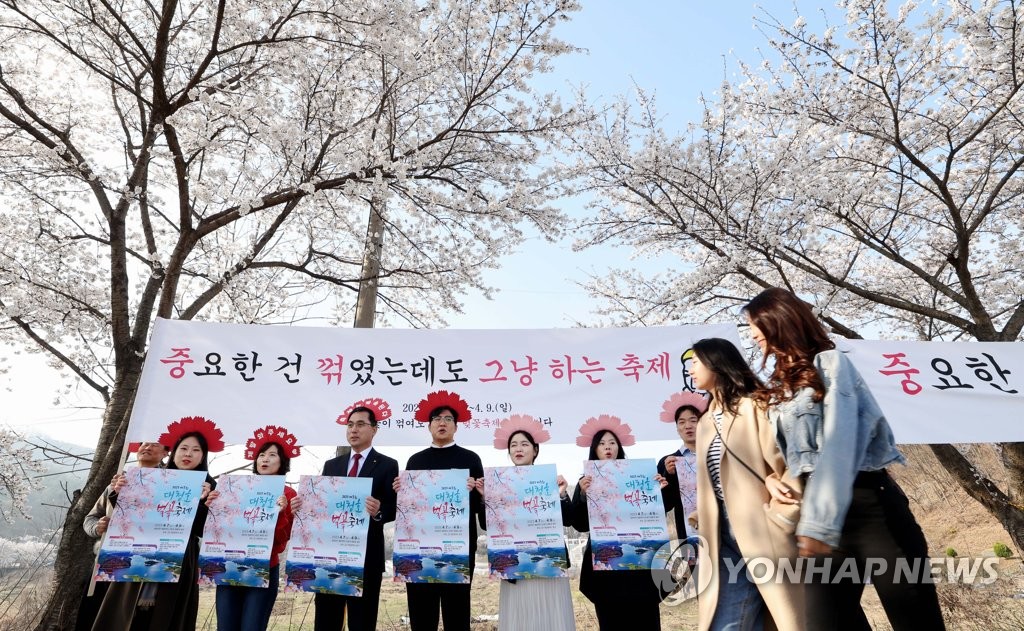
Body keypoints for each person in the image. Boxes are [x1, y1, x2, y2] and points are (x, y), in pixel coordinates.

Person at [744, 287, 945, 630]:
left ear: (778, 322)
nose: (751, 334)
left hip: (871, 511)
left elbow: (841, 441)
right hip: (818, 520)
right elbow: (787, 454)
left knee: (916, 622)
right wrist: (772, 478)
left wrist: (818, 523)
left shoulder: (832, 364)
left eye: (755, 325)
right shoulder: (781, 388)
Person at [689, 337, 804, 631]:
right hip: (721, 536)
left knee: (790, 617)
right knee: (725, 624)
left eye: (696, 361)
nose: (690, 368)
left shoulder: (755, 405)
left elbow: (790, 462)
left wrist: (780, 507)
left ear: (717, 363)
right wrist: (702, 514)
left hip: (761, 527)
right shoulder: (704, 423)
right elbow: (715, 482)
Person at [92, 417, 222, 631]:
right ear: (174, 452)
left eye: (196, 450)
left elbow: (203, 531)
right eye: (184, 448)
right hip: (137, 551)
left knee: (163, 616)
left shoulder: (209, 486)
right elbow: (130, 515)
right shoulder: (152, 478)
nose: (188, 454)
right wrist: (118, 493)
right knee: (126, 615)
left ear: (203, 456)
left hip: (180, 558)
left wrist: (200, 502)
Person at [393, 390, 486, 631]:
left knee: (457, 613)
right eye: (436, 419)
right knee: (422, 614)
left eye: (447, 419)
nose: (442, 423)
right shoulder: (415, 461)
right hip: (419, 548)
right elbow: (410, 510)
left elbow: (479, 509)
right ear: (429, 426)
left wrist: (474, 492)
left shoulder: (470, 459)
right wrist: (400, 493)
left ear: (456, 426)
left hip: (459, 547)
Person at [571, 415, 668, 630]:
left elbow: (656, 514)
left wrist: (659, 491)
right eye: (602, 444)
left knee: (645, 620)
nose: (607, 447)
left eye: (612, 443)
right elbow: (579, 524)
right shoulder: (586, 481)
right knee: (611, 620)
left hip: (641, 567)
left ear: (619, 447)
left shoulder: (641, 477)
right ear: (594, 450)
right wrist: (584, 495)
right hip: (605, 567)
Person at [482, 415, 575, 631]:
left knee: (552, 616)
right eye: (513, 445)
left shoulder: (549, 481)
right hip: (514, 567)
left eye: (524, 444)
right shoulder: (499, 485)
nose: (518, 449)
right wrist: (485, 498)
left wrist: (560, 495)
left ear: (535, 450)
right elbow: (489, 526)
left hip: (548, 565)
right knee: (520, 618)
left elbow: (570, 519)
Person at [315, 399, 399, 631]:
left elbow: (393, 507)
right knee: (326, 619)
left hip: (366, 558)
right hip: (330, 554)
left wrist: (378, 510)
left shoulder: (387, 465)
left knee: (362, 620)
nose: (353, 429)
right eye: (350, 424)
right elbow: (323, 506)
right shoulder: (332, 465)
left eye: (360, 424)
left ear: (374, 429)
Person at [211, 425, 302, 631]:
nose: (265, 459)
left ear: (282, 462)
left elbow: (280, 543)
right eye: (261, 455)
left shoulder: (287, 493)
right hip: (230, 564)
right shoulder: (236, 488)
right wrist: (214, 504)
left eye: (272, 455)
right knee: (225, 626)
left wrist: (280, 514)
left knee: (253, 625)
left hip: (265, 567)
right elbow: (220, 528)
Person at [77, 441, 169, 631]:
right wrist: (98, 526)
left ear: (166, 453)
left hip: (147, 566)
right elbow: (90, 517)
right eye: (144, 443)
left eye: (155, 444)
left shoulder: (172, 486)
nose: (147, 447)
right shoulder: (118, 482)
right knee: (94, 616)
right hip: (107, 560)